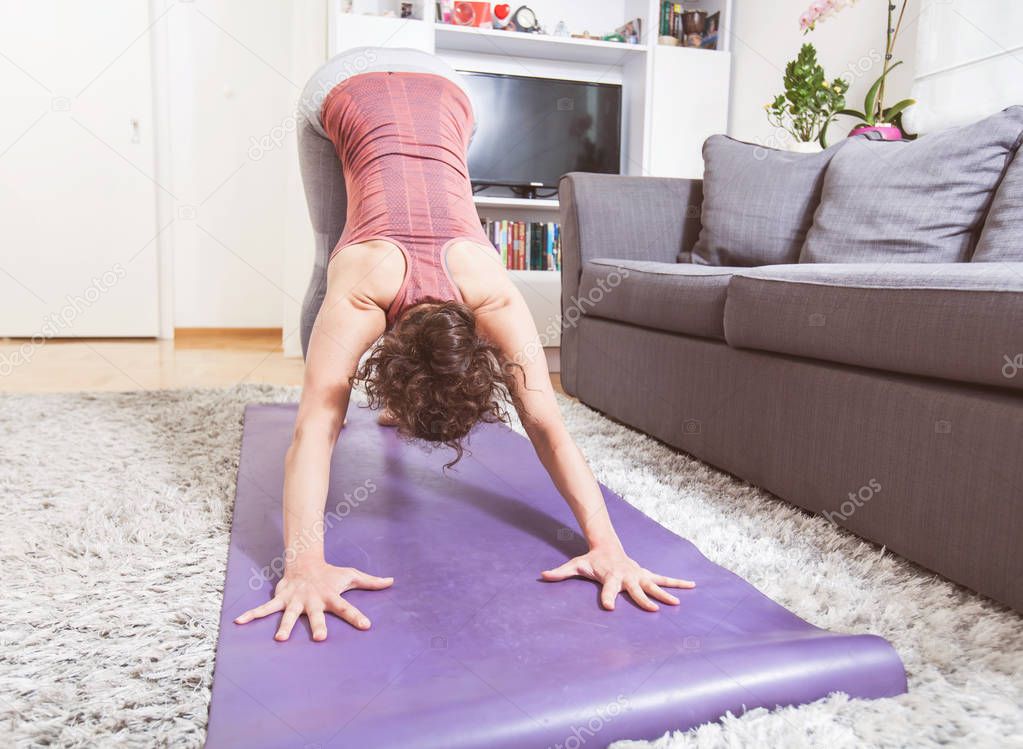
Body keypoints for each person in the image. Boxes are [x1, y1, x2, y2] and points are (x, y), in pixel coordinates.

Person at [235, 48, 694, 642]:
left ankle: (348, 377)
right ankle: (329, 375)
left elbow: (547, 425)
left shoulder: (494, 297)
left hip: (447, 90)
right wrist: (303, 567)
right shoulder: (358, 294)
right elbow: (312, 431)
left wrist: (608, 546)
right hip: (342, 85)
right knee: (330, 250)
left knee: (350, 243)